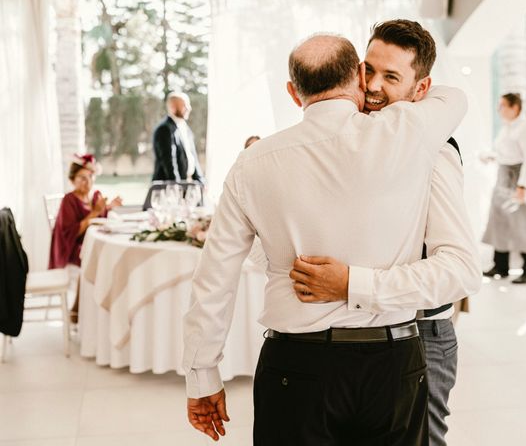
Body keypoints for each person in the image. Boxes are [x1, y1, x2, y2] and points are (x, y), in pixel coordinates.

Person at [183, 33, 468, 445]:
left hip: (295, 366)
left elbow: (214, 279)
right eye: (371, 73)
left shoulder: (252, 163)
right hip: (392, 361)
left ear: (292, 92)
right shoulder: (409, 134)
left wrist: (201, 374)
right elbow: (453, 98)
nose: (373, 86)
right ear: (358, 74)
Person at [288, 20, 481, 446]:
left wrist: (349, 283)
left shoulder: (434, 151)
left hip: (420, 338)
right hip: (350, 345)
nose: (372, 86)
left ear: (421, 88)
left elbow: (461, 270)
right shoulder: (350, 139)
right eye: (367, 70)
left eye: (391, 77)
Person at [481, 93, 526, 284]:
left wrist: (523, 186)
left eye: (502, 106)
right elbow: (506, 153)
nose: (499, 110)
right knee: (501, 221)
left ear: (515, 107)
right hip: (505, 177)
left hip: (524, 179)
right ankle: (500, 266)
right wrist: (491, 156)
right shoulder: (507, 128)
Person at [49, 154, 122, 320]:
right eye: (81, 178)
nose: (87, 182)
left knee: (104, 251)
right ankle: (79, 308)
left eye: (90, 177)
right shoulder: (69, 200)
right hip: (70, 246)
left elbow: (100, 217)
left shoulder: (95, 196)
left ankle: (103, 305)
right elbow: (72, 232)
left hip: (87, 242)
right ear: (72, 180)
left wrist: (108, 207)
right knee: (92, 253)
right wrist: (96, 211)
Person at [152, 92, 204, 183]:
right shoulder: (164, 129)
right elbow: (170, 163)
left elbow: (192, 156)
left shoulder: (185, 128)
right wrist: (178, 187)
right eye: (185, 105)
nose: (189, 108)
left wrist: (201, 180)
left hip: (187, 183)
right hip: (170, 188)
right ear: (173, 108)